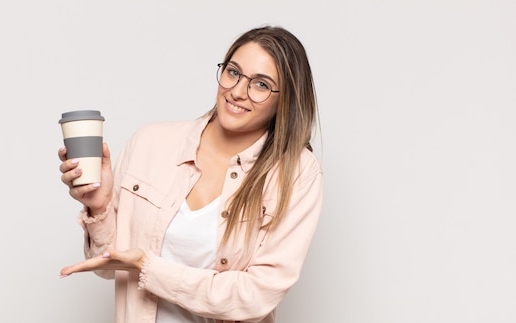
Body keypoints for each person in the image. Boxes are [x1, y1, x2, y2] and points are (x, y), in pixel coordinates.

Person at [57, 25, 323, 323]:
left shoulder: (297, 172)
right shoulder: (150, 142)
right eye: (233, 72)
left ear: (284, 99)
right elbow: (110, 267)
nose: (237, 91)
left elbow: (256, 296)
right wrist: (99, 204)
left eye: (260, 84)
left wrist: (149, 267)